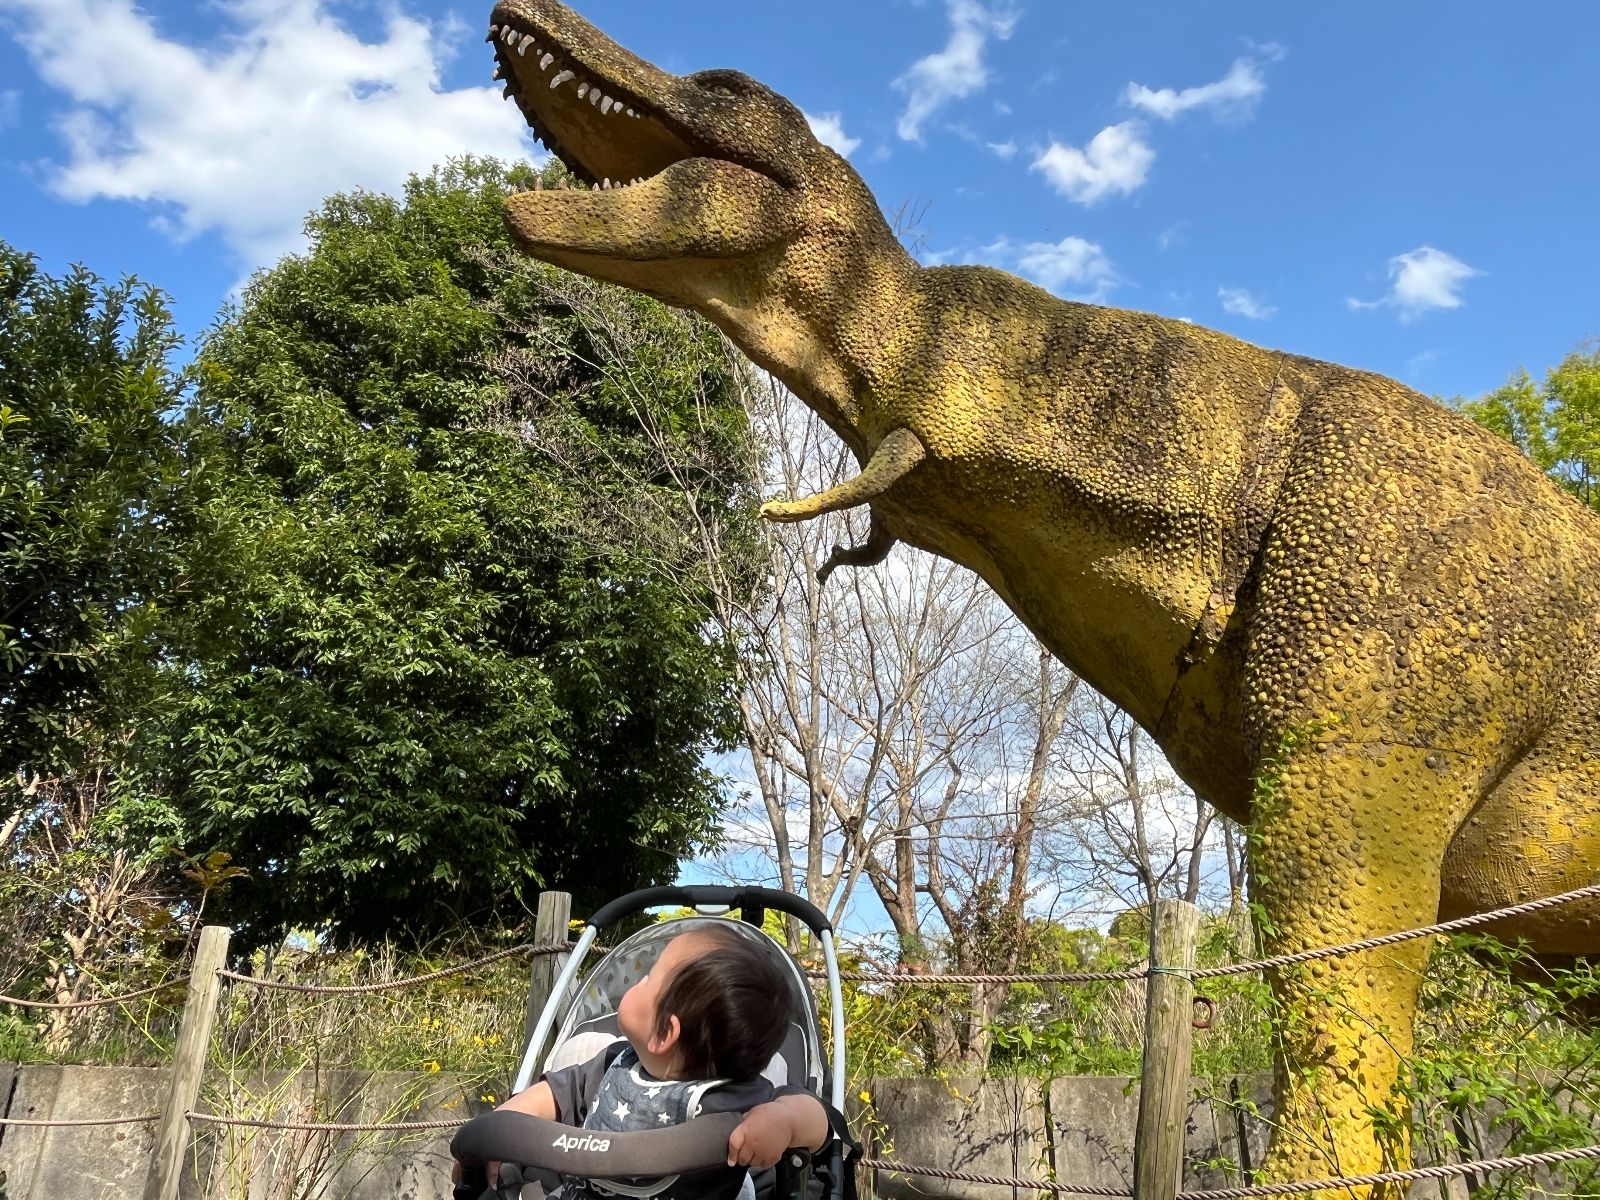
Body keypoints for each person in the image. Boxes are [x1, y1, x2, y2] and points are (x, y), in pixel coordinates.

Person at [481, 923, 830, 1200]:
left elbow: (819, 1122)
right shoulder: (616, 1066)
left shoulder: (736, 1099)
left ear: (664, 1033)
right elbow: (557, 1093)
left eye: (648, 978)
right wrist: (499, 1129)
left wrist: (783, 1120)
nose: (639, 980)